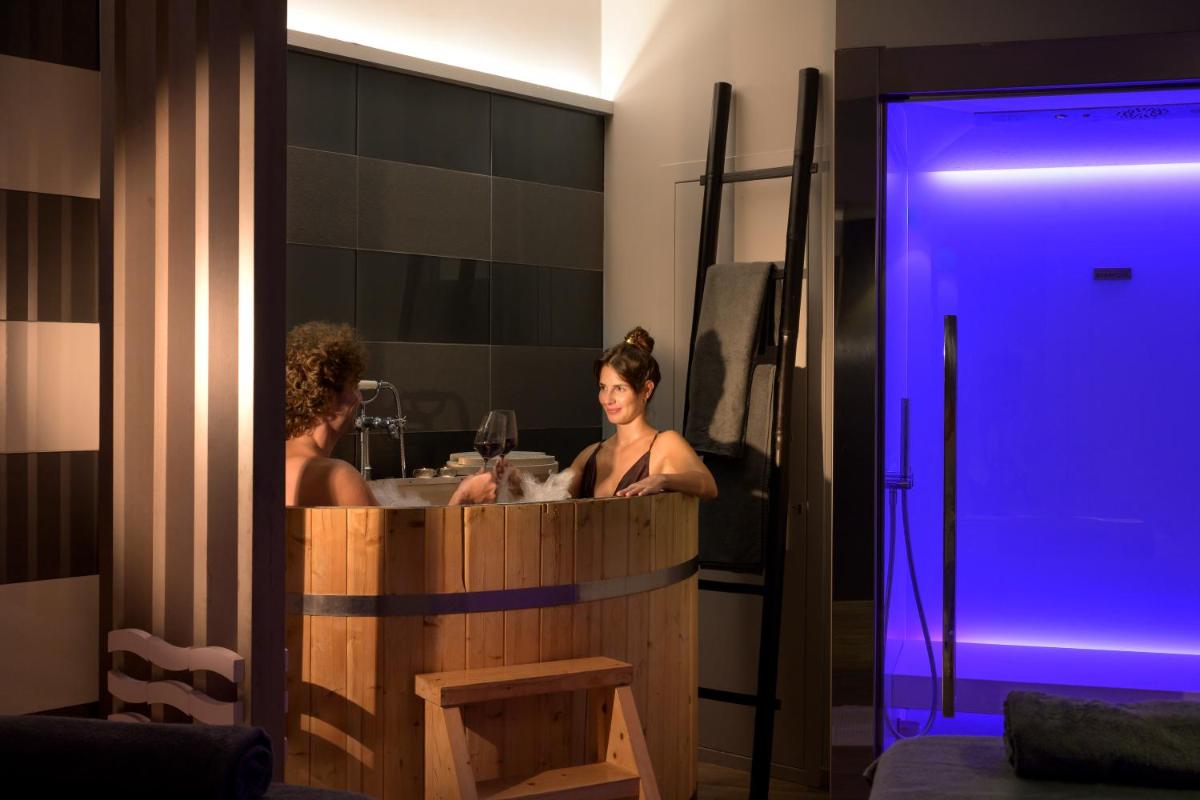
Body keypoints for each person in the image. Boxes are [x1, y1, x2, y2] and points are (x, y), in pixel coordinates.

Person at [285, 322, 497, 507]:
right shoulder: (337, 478)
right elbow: (391, 541)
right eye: (353, 386)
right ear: (328, 396)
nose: (359, 397)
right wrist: (464, 497)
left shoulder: (273, 465)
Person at [567, 327, 717, 499]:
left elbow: (708, 485)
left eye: (619, 388)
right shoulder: (588, 456)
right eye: (603, 387)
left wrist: (661, 479)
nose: (607, 399)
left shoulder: (666, 444)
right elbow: (554, 502)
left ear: (646, 390)